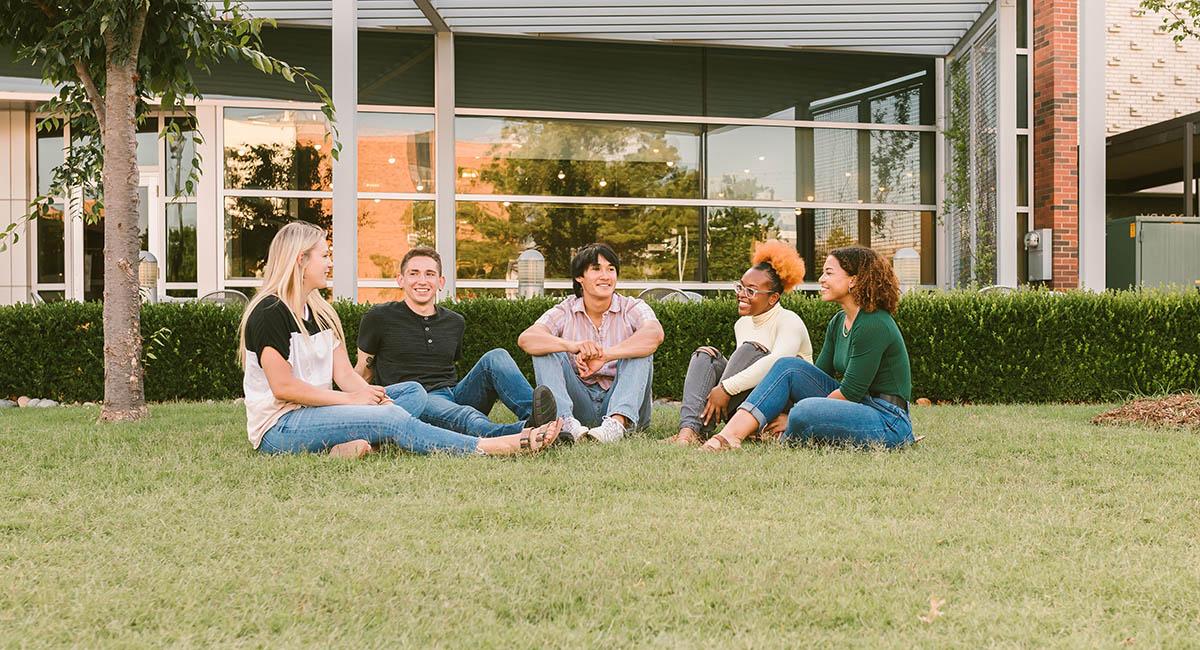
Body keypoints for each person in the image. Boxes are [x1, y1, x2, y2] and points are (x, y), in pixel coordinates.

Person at [238, 222, 561, 458]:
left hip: (319, 412)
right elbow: (285, 388)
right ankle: (490, 445)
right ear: (300, 260)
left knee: (409, 393)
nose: (329, 262)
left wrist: (368, 395)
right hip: (282, 426)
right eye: (324, 255)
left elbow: (346, 375)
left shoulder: (321, 312)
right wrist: (354, 402)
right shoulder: (269, 312)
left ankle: (362, 444)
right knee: (392, 416)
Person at [700, 246, 914, 451]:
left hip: (888, 420)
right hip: (860, 407)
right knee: (789, 366)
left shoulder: (873, 323)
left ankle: (781, 430)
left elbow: (850, 394)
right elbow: (815, 376)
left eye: (829, 273)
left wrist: (791, 415)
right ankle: (730, 436)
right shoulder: (839, 321)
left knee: (805, 411)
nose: (821, 279)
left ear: (854, 280)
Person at [354, 247, 557, 439]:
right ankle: (529, 431)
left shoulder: (454, 322)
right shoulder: (379, 317)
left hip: (451, 394)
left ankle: (538, 416)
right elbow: (364, 371)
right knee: (466, 415)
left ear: (440, 282)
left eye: (430, 274)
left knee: (497, 357)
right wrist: (348, 408)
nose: (422, 280)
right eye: (414, 273)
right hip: (414, 399)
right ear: (401, 280)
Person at [666, 240, 812, 446]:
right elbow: (741, 367)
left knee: (750, 350)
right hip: (743, 402)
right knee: (705, 355)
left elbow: (778, 363)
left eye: (750, 291)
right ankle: (689, 431)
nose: (741, 295)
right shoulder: (742, 324)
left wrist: (725, 389)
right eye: (740, 287)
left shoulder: (789, 321)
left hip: (779, 404)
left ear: (773, 298)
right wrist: (722, 383)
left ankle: (711, 428)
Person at [517, 243, 664, 443]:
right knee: (546, 348)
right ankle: (565, 422)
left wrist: (606, 355)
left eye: (611, 269)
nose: (606, 276)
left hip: (623, 404)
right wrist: (572, 346)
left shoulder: (632, 307)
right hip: (580, 404)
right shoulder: (565, 309)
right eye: (596, 269)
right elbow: (527, 339)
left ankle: (616, 424)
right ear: (580, 277)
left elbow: (654, 334)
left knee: (639, 348)